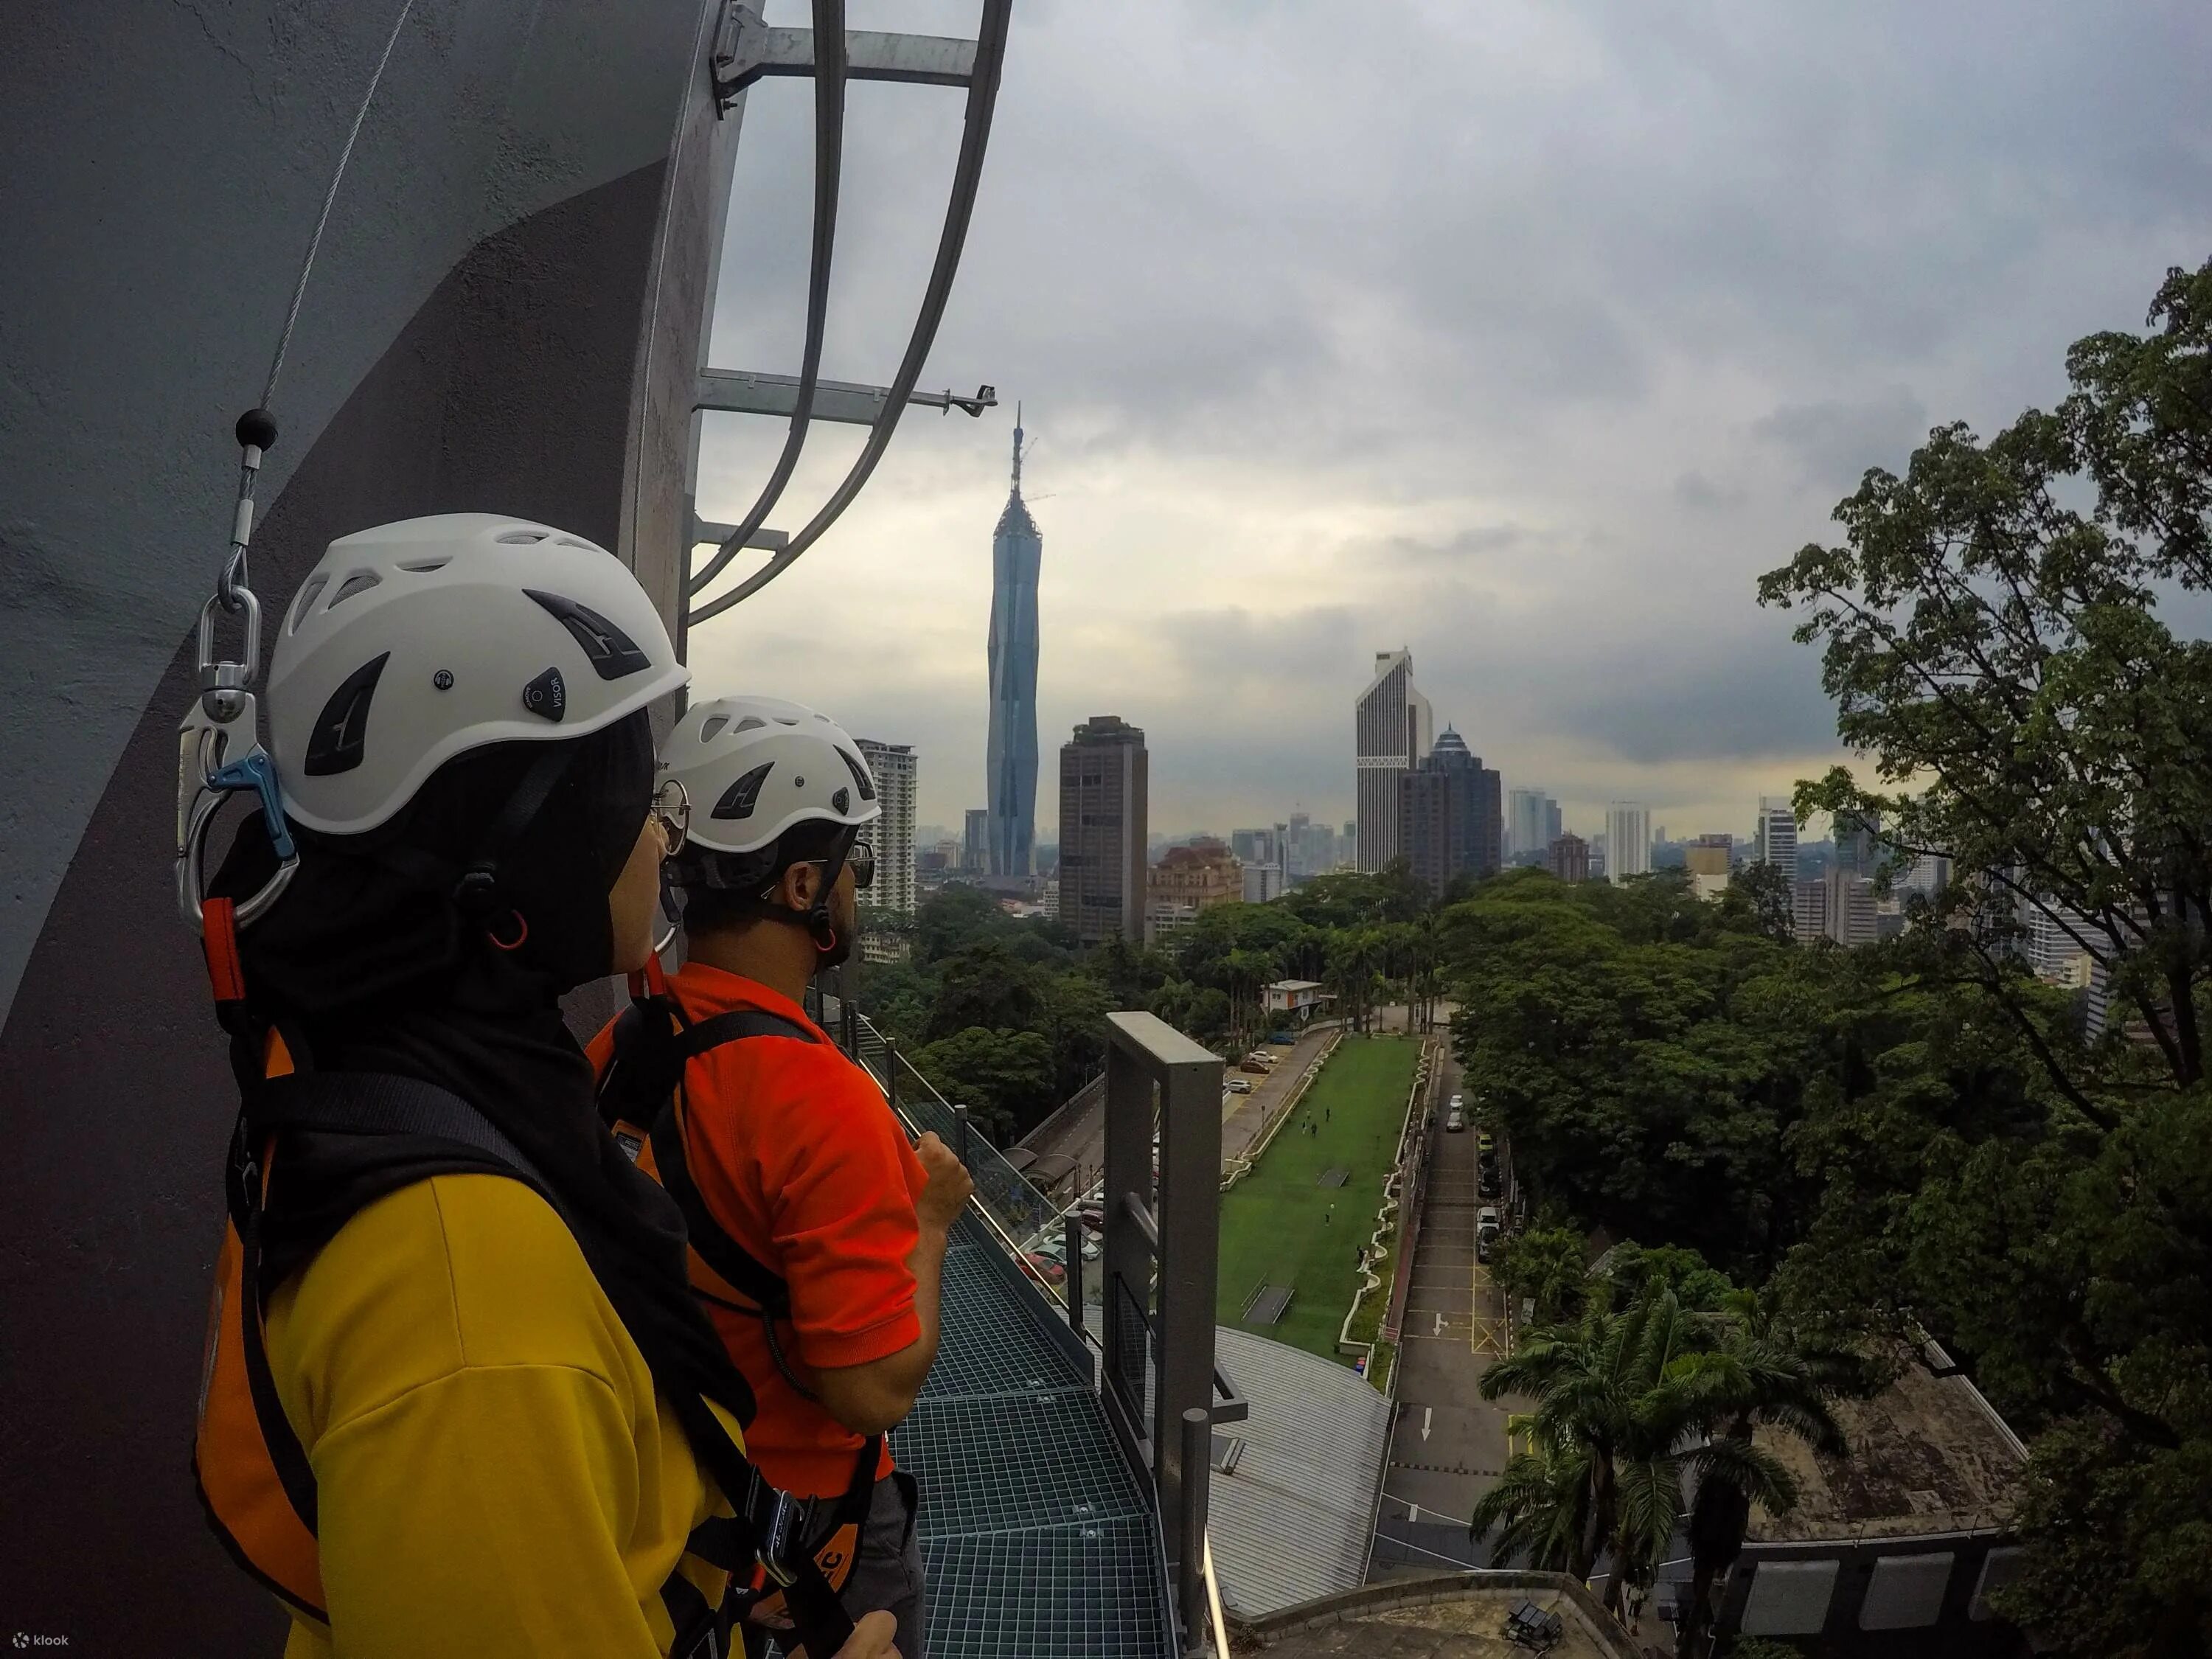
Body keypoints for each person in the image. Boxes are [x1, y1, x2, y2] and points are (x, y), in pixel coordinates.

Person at [189, 516, 895, 1659]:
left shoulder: (391, 1079)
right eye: (626, 798)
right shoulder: (469, 1298)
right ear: (521, 840)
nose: (663, 841)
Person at [591, 694, 970, 1658]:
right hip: (808, 1528)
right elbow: (873, 1391)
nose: (855, 886)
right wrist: (930, 1222)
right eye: (851, 864)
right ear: (804, 885)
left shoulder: (625, 1043)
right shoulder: (821, 1103)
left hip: (671, 1493)